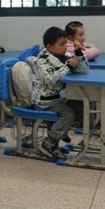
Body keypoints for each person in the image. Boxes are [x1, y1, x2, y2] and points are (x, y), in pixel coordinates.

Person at [33, 27, 88, 160]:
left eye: (66, 44)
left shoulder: (64, 55)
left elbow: (84, 70)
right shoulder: (42, 60)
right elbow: (52, 80)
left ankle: (59, 131)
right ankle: (49, 143)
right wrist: (68, 67)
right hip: (44, 100)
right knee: (68, 113)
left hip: (58, 98)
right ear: (50, 47)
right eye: (62, 44)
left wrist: (78, 53)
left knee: (81, 106)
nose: (65, 47)